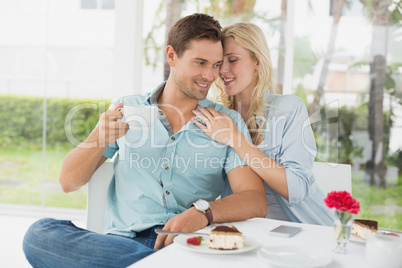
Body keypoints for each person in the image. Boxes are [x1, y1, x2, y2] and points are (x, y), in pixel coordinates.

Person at [22, 14, 267, 268]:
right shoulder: (127, 107)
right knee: (40, 234)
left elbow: (255, 199)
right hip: (123, 243)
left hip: (183, 245)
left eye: (216, 65)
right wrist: (98, 138)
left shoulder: (226, 122)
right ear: (172, 56)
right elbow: (68, 182)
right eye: (200, 63)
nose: (210, 75)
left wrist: (203, 213)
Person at [192, 22, 333, 226]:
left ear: (257, 61)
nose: (223, 70)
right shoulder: (216, 117)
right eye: (218, 63)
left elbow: (296, 188)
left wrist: (236, 140)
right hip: (250, 231)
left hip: (307, 230)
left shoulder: (289, 109)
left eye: (232, 60)